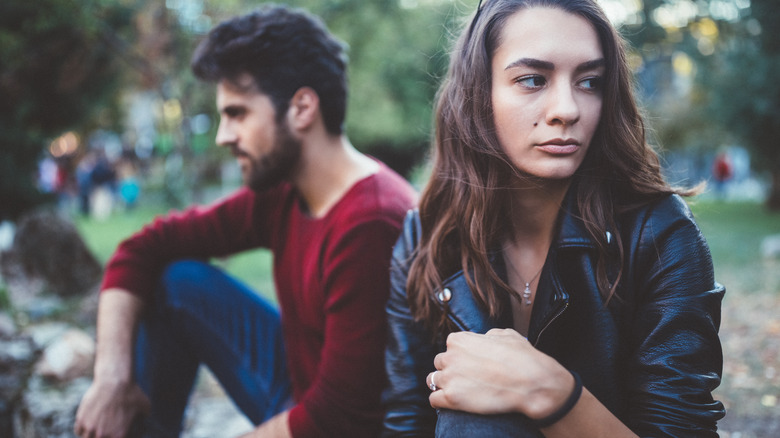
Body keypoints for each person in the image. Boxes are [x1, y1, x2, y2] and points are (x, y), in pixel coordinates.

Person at [382, 0, 725, 437]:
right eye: (532, 80)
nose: (568, 109)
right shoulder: (427, 237)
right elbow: (404, 422)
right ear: (478, 92)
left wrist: (551, 393)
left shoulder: (659, 234)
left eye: (590, 82)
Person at [74, 5, 417, 438]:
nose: (223, 136)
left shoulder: (372, 222)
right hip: (301, 392)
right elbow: (140, 249)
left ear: (302, 108)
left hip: (342, 426)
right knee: (178, 281)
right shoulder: (284, 191)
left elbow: (339, 421)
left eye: (237, 114)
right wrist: (111, 380)